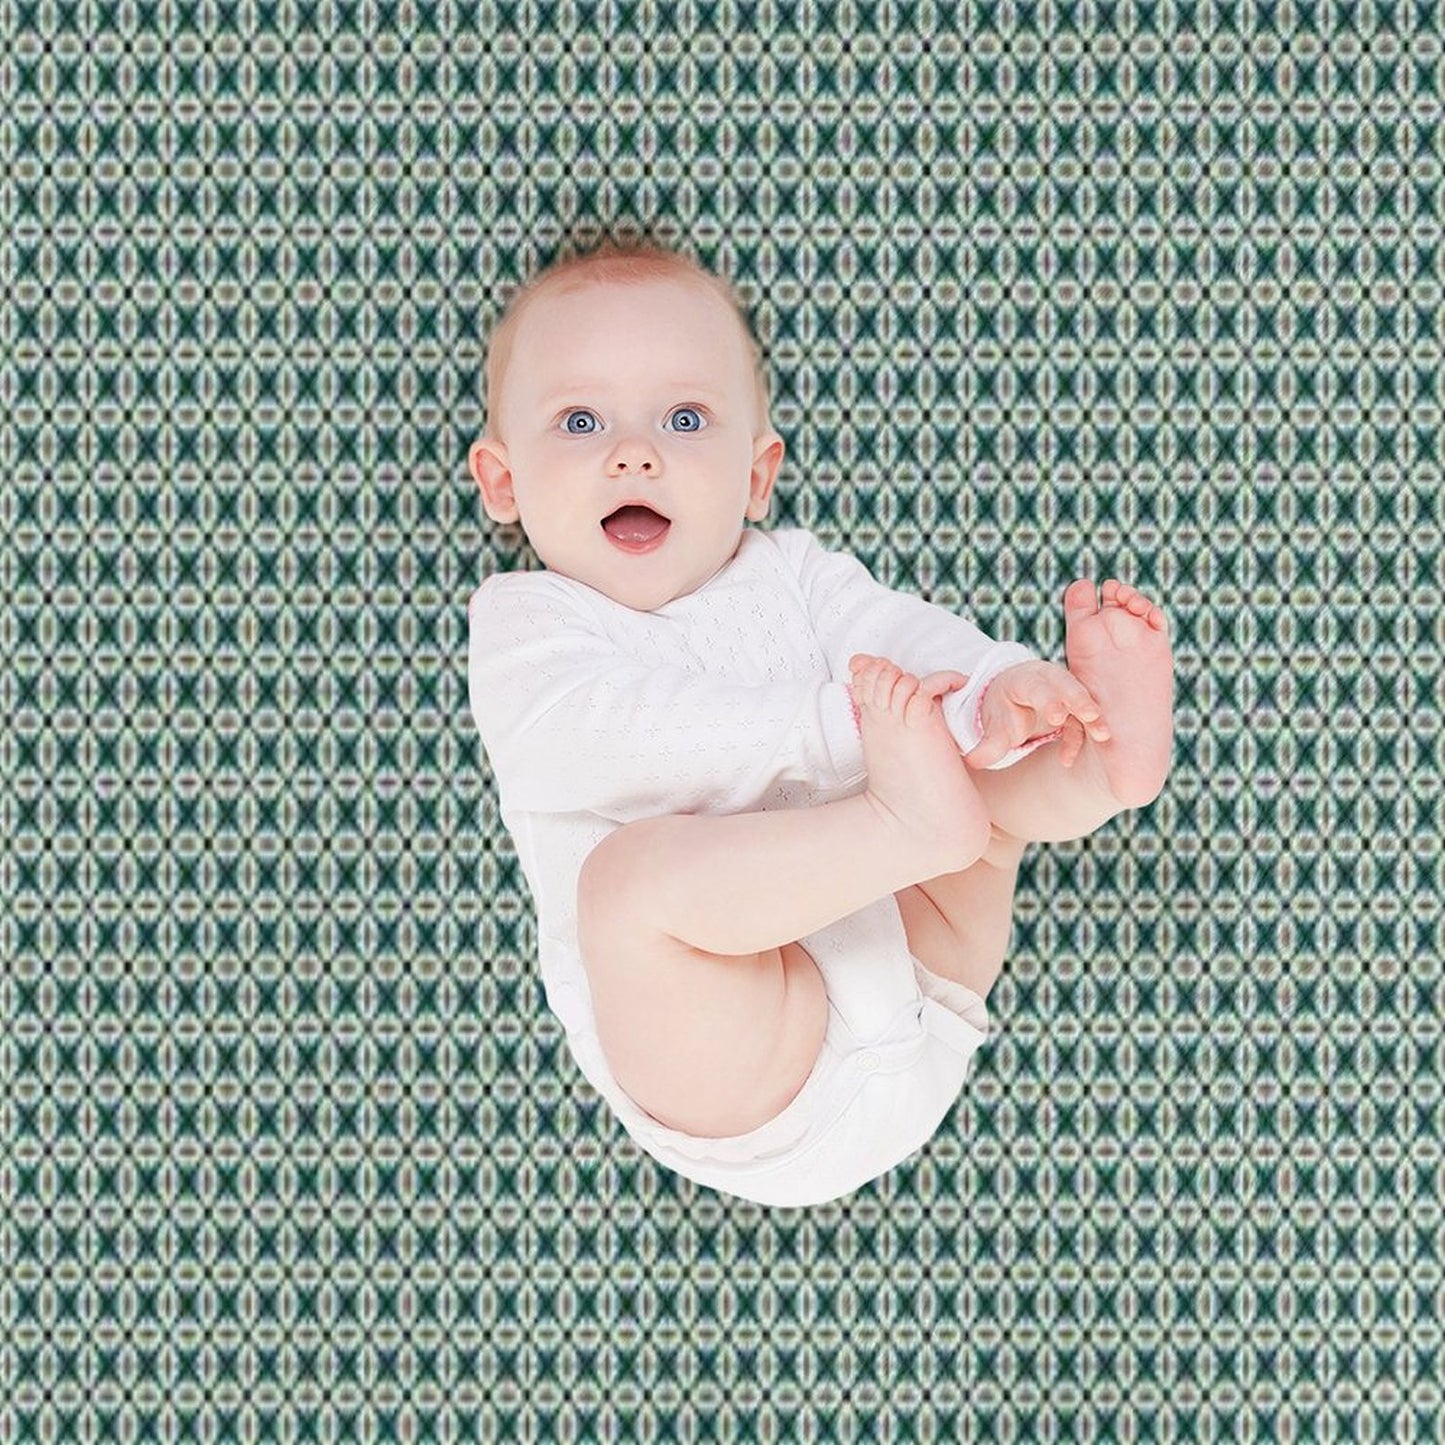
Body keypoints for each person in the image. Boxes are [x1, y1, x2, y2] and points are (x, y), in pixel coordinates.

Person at [466, 239, 1174, 1208]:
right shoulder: (530, 622)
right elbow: (602, 739)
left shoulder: (792, 572)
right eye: (579, 420)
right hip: (751, 1067)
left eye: (684, 417)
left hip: (921, 970)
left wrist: (991, 685)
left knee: (981, 782)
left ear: (756, 476)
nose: (635, 452)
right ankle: (915, 820)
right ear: (503, 483)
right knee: (626, 887)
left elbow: (897, 634)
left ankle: (1096, 763)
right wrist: (847, 727)